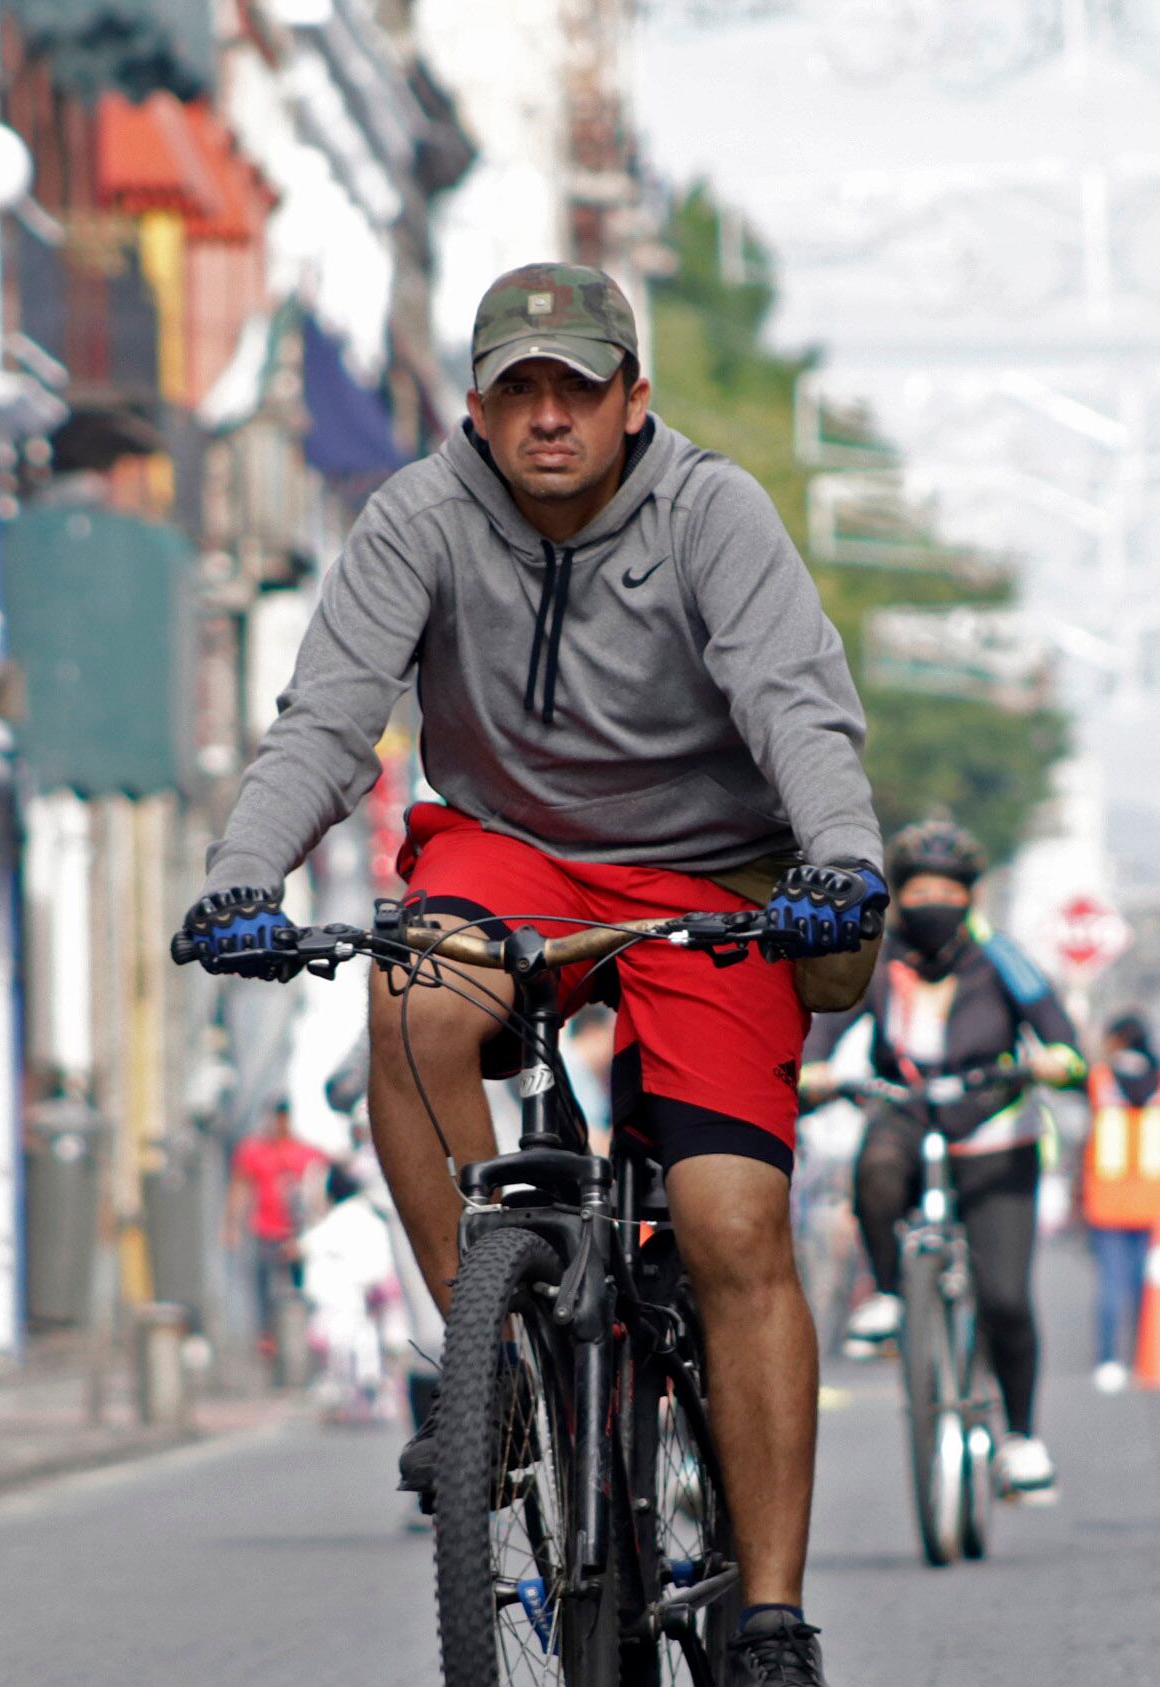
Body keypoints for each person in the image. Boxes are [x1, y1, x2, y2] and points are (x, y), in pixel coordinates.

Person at [174, 261, 881, 1683]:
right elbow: (326, 720)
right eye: (518, 391)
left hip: (717, 870)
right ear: (483, 410)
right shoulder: (418, 518)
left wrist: (841, 859)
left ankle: (772, 1612)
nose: (548, 416)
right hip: (510, 848)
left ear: (633, 399)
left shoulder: (712, 514)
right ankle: (484, 1368)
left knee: (731, 1218)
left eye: (577, 387)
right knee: (409, 993)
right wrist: (240, 875)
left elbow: (797, 703)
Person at [797, 819, 1084, 1497]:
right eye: (919, 888)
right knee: (875, 1170)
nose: (933, 901)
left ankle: (1020, 1437)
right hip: (904, 1112)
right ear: (898, 895)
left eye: (948, 889)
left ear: (971, 896)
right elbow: (825, 1026)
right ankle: (894, 1294)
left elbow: (1063, 1039)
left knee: (1006, 1298)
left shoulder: (1003, 958)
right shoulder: (876, 956)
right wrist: (812, 1070)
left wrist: (1055, 1061)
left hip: (995, 1133)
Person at [1080, 1014, 1160, 1393]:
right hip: (1153, 1201)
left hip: (1106, 1200)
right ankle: (1143, 1353)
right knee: (1145, 1285)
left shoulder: (1101, 1081)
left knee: (1111, 1284)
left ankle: (1110, 1359)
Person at [229, 1099, 331, 1355]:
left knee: (302, 1285)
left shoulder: (305, 1152)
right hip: (266, 1231)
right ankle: (267, 1336)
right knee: (263, 1283)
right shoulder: (254, 1150)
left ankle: (306, 1335)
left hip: (297, 1234)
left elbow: (322, 1189)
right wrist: (231, 1225)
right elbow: (241, 1187)